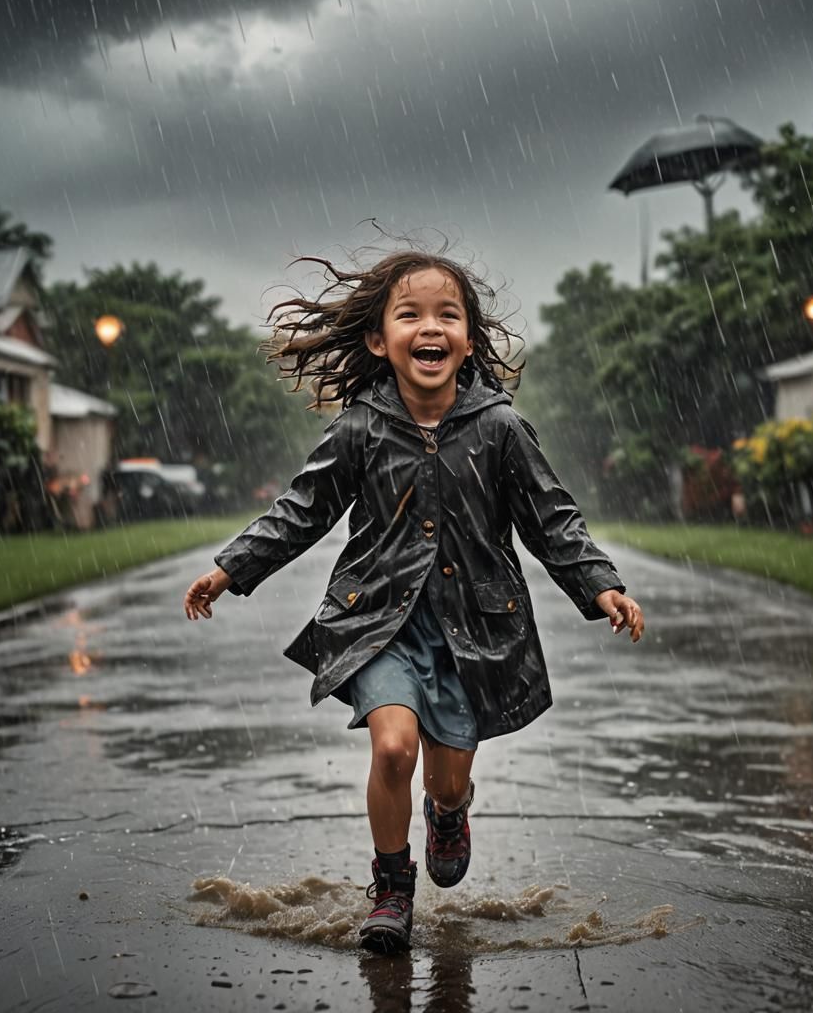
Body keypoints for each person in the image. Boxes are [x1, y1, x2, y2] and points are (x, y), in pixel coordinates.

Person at [183, 249, 645, 954]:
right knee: (394, 748)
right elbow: (301, 510)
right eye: (410, 315)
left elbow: (552, 519)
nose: (430, 328)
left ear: (469, 340)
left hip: (473, 631)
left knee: (447, 778)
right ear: (379, 340)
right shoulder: (361, 428)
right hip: (378, 622)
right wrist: (229, 569)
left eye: (447, 315)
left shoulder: (500, 429)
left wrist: (601, 583)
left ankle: (448, 811)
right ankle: (392, 889)